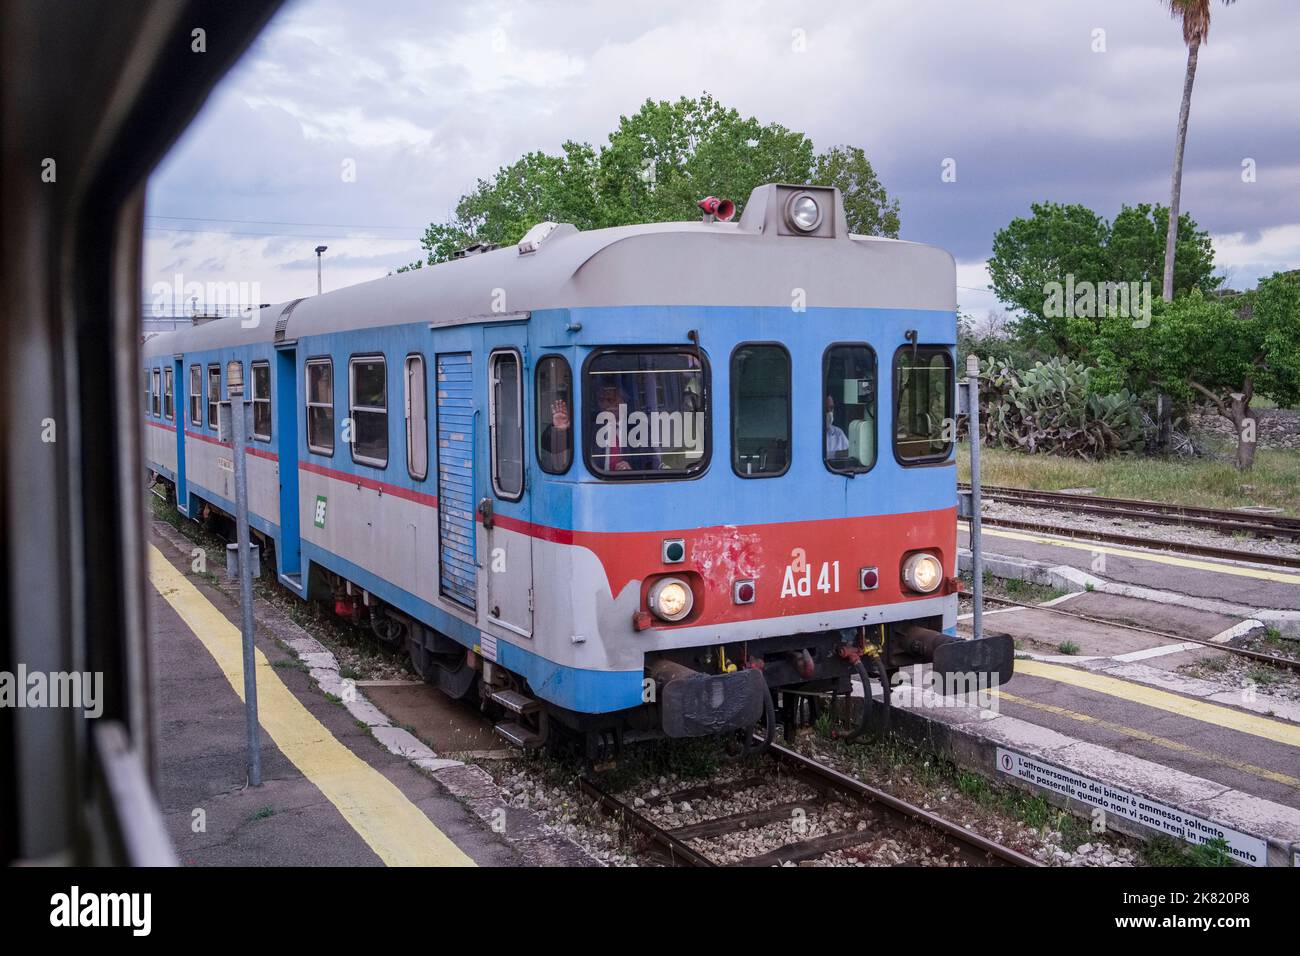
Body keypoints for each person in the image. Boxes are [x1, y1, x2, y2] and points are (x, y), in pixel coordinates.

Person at [825, 393, 850, 459]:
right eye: (825, 409)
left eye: (831, 408)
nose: (829, 413)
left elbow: (850, 454)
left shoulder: (838, 432)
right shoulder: (808, 434)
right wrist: (835, 454)